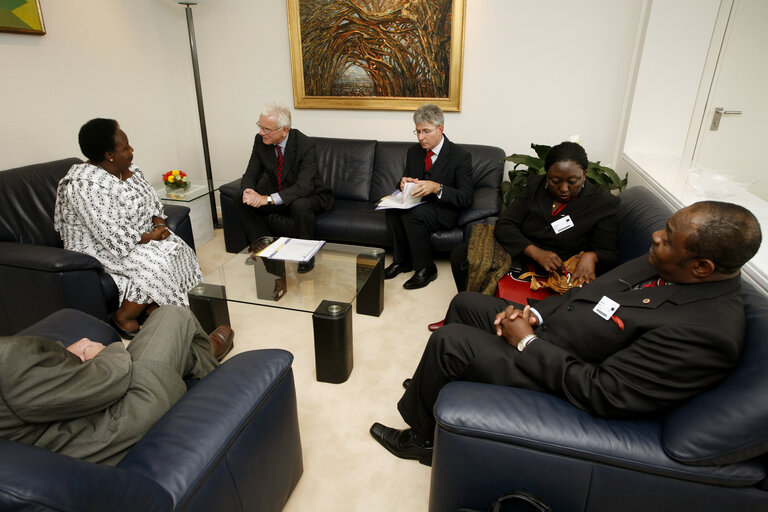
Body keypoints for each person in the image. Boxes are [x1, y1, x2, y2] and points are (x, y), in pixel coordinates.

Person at [370, 200, 762, 466]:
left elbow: (604, 392)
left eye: (669, 236)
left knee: (449, 342)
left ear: (702, 267)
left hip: (560, 371)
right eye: (665, 227)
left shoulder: (706, 333)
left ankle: (421, 441)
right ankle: (432, 385)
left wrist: (527, 340)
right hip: (551, 331)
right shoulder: (663, 263)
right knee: (467, 303)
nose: (656, 237)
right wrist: (534, 314)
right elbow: (587, 293)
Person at [0, 306, 230, 465]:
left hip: (63, 442)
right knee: (173, 315)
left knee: (179, 344)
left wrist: (58, 360)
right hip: (114, 424)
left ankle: (195, 356)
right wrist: (99, 352)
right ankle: (218, 385)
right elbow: (110, 380)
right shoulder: (7, 358)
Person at [428, 141, 620, 330]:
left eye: (572, 182)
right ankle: (466, 312)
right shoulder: (535, 186)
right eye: (555, 181)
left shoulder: (603, 203)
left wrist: (591, 255)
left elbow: (609, 253)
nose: (563, 189)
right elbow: (505, 224)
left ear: (584, 174)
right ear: (546, 175)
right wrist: (535, 252)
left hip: (560, 266)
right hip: (524, 251)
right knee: (463, 254)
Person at [54, 118, 203, 339]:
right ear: (109, 155)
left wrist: (159, 225)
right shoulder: (84, 186)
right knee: (157, 263)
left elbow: (152, 200)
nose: (132, 150)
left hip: (138, 235)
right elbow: (109, 233)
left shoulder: (129, 170)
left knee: (177, 247)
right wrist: (150, 238)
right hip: (98, 245)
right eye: (125, 148)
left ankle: (162, 309)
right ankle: (125, 316)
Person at [384, 103, 474, 289]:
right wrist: (402, 183)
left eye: (426, 131)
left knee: (413, 215)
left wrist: (437, 188)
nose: (420, 137)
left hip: (444, 209)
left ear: (440, 129)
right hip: (417, 202)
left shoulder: (460, 155)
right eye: (417, 132)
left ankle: (426, 268)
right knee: (392, 210)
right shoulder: (414, 152)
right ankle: (402, 261)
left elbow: (466, 197)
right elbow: (406, 180)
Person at [235, 102, 334, 272]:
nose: (261, 132)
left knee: (300, 205)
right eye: (260, 126)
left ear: (285, 130)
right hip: (279, 192)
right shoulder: (260, 141)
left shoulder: (306, 145)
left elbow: (303, 187)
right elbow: (251, 173)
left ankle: (306, 256)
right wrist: (248, 192)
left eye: (267, 129)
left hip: (311, 194)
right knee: (240, 200)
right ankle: (265, 249)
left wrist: (266, 199)